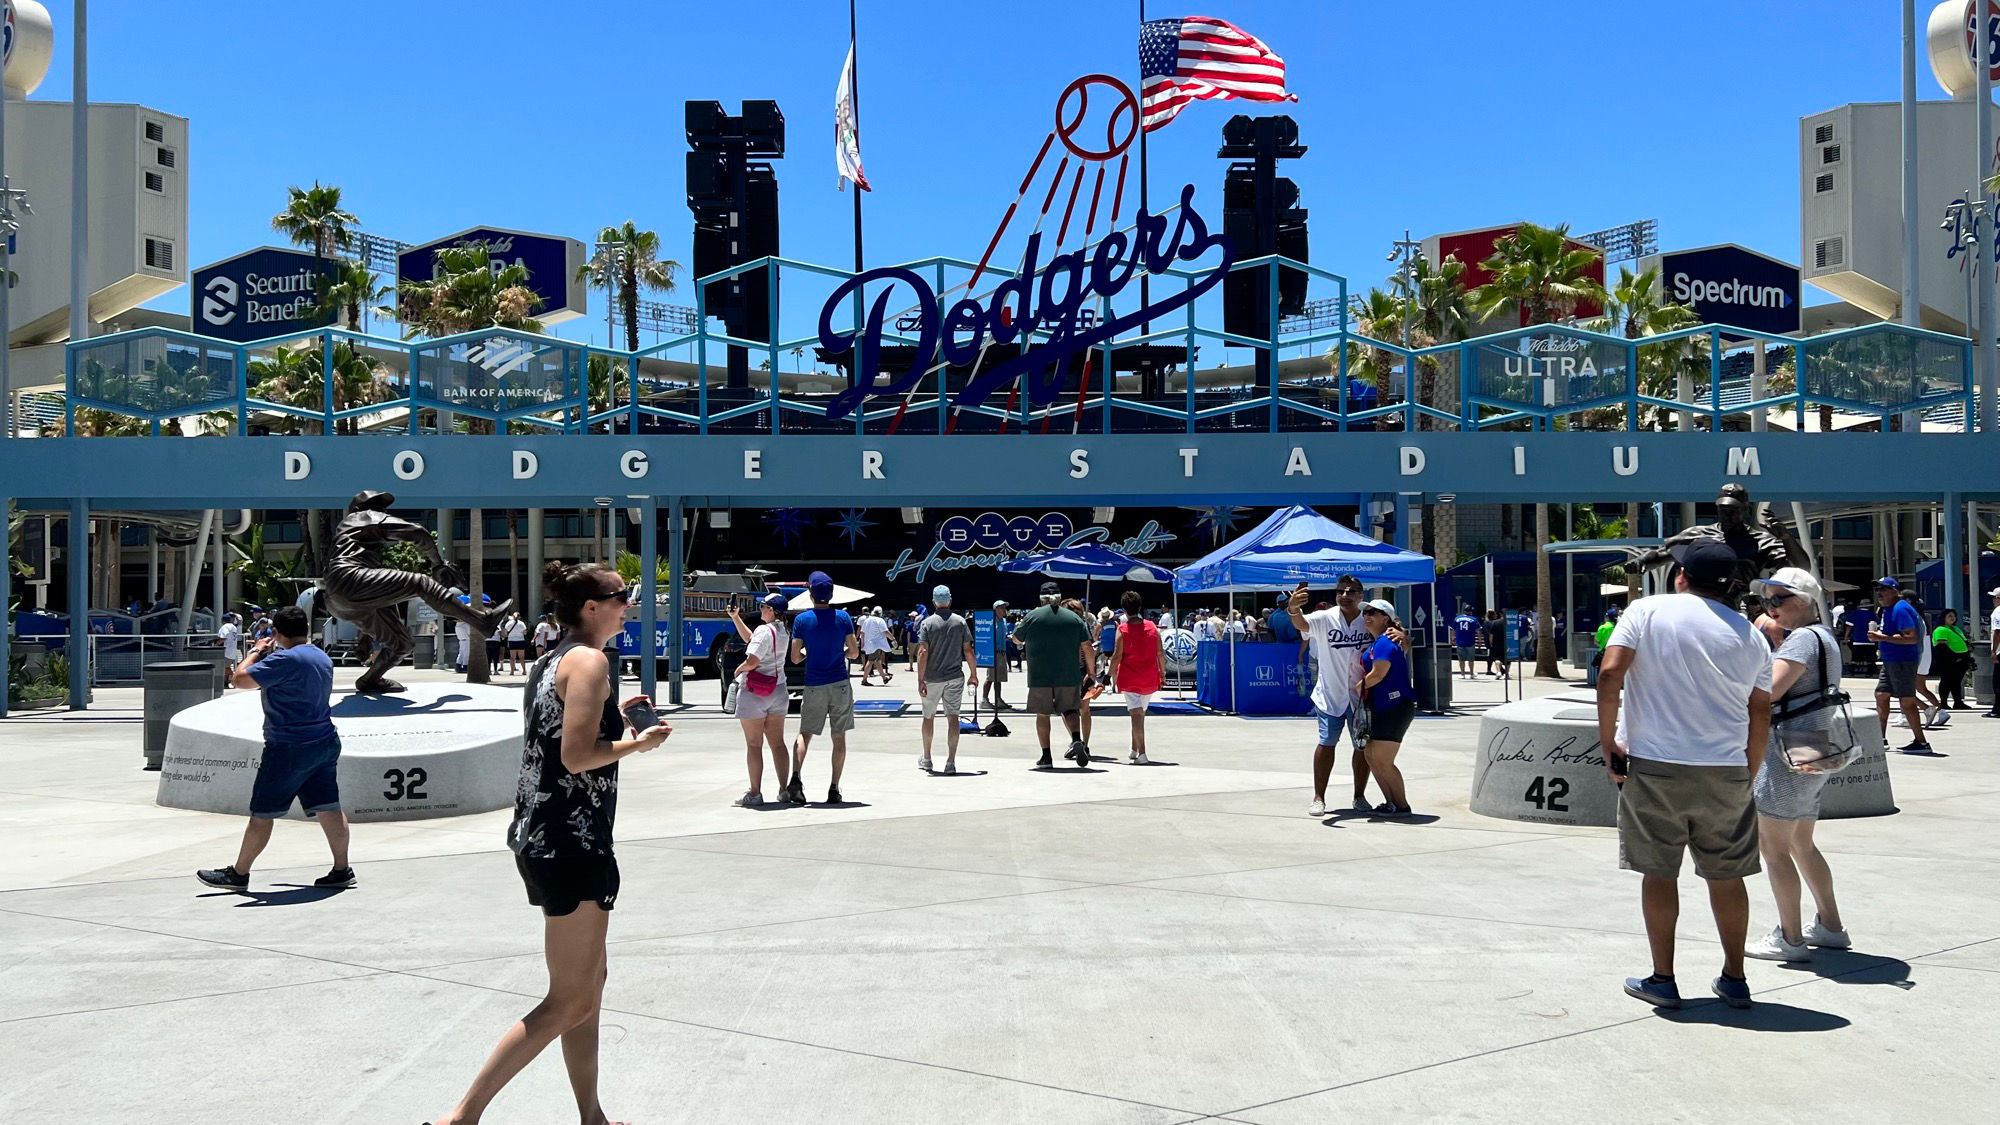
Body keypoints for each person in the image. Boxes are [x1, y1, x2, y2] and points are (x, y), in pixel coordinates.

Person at [430, 561, 669, 1125]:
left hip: (548, 832)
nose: (627, 605)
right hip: (570, 840)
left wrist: (623, 738)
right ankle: (461, 1117)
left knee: (589, 987)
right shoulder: (589, 661)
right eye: (619, 597)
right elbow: (578, 756)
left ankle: (593, 1118)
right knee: (570, 999)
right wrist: (638, 745)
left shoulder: (549, 659)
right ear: (591, 607)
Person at [1597, 540, 1773, 1010]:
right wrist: (1748, 770)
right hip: (1727, 767)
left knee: (1658, 872)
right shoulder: (1751, 635)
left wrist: (1608, 739)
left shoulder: (1646, 611)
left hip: (1655, 764)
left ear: (1680, 576)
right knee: (1728, 876)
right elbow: (1761, 714)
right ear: (1730, 584)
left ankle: (1663, 979)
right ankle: (1735, 977)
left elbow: (1610, 674)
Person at [197, 606, 354, 891]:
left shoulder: (283, 659)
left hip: (288, 747)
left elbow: (240, 679)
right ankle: (342, 869)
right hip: (324, 741)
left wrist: (256, 650)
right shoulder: (321, 656)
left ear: (277, 633)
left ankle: (239, 874)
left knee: (263, 812)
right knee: (329, 806)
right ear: (306, 629)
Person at [1742, 568, 1851, 964]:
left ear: (1803, 601)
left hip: (1786, 754)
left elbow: (1767, 693)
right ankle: (1830, 926)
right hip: (1814, 749)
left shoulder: (1803, 639)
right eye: (1766, 601)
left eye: (1777, 600)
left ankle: (1790, 938)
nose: (1770, 609)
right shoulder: (1824, 637)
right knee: (1800, 844)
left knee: (1773, 848)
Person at [1290, 575, 1379, 817]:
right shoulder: (1325, 618)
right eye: (1341, 591)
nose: (1345, 595)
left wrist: (1401, 636)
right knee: (1326, 743)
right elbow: (1302, 625)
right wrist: (1293, 608)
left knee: (1361, 747)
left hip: (1360, 696)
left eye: (1351, 591)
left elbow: (1390, 631)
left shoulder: (1368, 620)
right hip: (1330, 695)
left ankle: (1359, 796)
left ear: (1361, 595)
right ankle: (1319, 797)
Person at [791, 572, 860, 804]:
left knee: (805, 734)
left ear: (810, 594)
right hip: (839, 682)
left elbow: (795, 657)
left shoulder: (802, 620)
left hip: (814, 683)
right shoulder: (843, 618)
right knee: (838, 737)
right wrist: (839, 653)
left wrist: (808, 653)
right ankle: (833, 787)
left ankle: (796, 778)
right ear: (831, 594)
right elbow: (854, 652)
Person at [1016, 581, 1096, 769]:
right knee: (1070, 710)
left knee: (1043, 715)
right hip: (1068, 674)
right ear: (1059, 598)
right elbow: (1087, 647)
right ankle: (1077, 739)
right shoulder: (1074, 618)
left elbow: (1017, 638)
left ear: (1041, 598)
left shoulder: (1032, 616)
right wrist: (1091, 673)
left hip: (1040, 676)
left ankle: (1046, 757)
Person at [727, 594, 793, 807]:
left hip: (755, 692)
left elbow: (753, 658)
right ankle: (784, 790)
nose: (761, 609)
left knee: (754, 745)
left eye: (763, 606)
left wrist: (740, 669)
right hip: (778, 689)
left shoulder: (764, 630)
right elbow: (752, 639)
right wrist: (736, 618)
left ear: (772, 610)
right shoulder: (782, 630)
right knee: (778, 743)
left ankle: (755, 793)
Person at [1357, 599, 1417, 816]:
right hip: (1383, 706)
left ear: (1386, 618)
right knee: (1372, 756)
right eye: (1366, 612)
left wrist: (1358, 688)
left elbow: (1378, 673)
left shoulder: (1384, 642)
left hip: (1394, 705)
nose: (1368, 615)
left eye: (1374, 612)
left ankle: (1401, 805)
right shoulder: (1379, 642)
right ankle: (1391, 802)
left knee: (1382, 759)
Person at [915, 584, 977, 774]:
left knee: (928, 717)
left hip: (932, 678)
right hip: (955, 677)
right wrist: (973, 674)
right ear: (950, 601)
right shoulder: (960, 622)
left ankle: (927, 758)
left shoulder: (927, 623)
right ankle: (950, 762)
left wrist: (920, 679)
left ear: (934, 602)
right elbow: (968, 650)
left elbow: (923, 652)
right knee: (953, 718)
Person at [1866, 578, 1931, 754]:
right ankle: (1880, 739)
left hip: (1903, 660)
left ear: (1895, 591)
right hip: (1890, 660)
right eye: (1878, 589)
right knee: (1881, 695)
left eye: (1884, 589)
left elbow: (1912, 637)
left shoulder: (1901, 609)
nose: (1880, 592)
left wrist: (1882, 638)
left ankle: (1921, 742)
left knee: (1907, 701)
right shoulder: (1887, 610)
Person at [1108, 589, 1164, 765]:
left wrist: (1111, 676)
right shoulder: (1152, 627)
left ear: (1124, 609)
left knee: (1136, 716)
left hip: (1130, 677)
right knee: (1141, 714)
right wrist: (1162, 673)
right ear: (1140, 607)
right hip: (1149, 677)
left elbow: (1117, 656)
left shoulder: (1123, 629)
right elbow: (1160, 653)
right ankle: (1134, 748)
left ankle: (1142, 753)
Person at [1931, 607, 1971, 714]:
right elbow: (1941, 647)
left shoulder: (1955, 628)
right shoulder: (1941, 629)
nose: (1952, 618)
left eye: (1954, 616)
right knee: (1946, 681)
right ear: (1943, 618)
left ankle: (1958, 702)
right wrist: (1955, 657)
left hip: (1961, 660)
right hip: (1947, 661)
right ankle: (1943, 702)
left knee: (1956, 682)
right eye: (1949, 616)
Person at [983, 599, 1014, 710]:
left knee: (999, 678)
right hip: (993, 653)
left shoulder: (1004, 621)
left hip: (1002, 652)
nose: (1004, 610)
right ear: (995, 609)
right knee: (990, 677)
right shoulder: (990, 621)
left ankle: (998, 699)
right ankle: (984, 700)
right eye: (1001, 607)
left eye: (1004, 607)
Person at [859, 606, 893, 686]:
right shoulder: (880, 620)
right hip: (876, 644)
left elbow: (862, 633)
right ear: (880, 613)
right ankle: (864, 680)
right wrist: (893, 639)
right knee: (870, 661)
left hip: (869, 644)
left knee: (877, 661)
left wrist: (863, 644)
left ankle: (884, 678)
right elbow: (886, 632)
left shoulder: (867, 621)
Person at [1452, 605, 1479, 679]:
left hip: (1460, 641)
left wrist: (1453, 638)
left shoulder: (1457, 619)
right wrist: (1479, 641)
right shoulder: (1474, 619)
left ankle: (1462, 674)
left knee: (1461, 659)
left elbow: (1453, 629)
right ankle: (1471, 674)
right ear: (1470, 612)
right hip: (1470, 641)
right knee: (1471, 659)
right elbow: (1478, 631)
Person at [1482, 608, 1508, 679]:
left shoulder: (1486, 622)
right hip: (1499, 642)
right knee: (1496, 657)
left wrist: (1490, 642)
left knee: (1493, 657)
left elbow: (1487, 633)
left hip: (1492, 642)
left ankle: (1492, 670)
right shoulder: (1496, 622)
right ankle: (1503, 671)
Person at [1987, 586, 2000, 719]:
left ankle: (1997, 709)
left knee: (1997, 682)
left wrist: (1994, 650)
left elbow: (1997, 631)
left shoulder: (1998, 611)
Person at [504, 610, 529, 675]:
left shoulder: (509, 623)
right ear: (519, 617)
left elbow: (505, 631)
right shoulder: (521, 623)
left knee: (512, 657)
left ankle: (512, 671)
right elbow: (525, 633)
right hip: (520, 640)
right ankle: (524, 671)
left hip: (512, 641)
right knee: (521, 657)